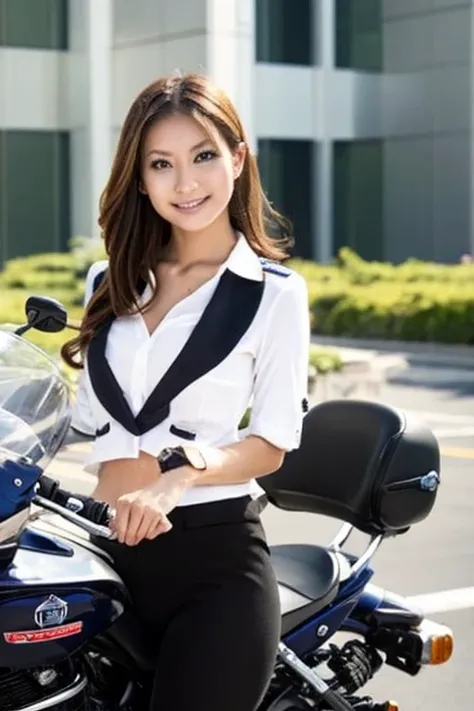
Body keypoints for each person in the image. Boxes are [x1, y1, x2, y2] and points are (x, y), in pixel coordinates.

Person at [63, 72, 310, 711]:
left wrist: (179, 475)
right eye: (161, 164)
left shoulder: (273, 293)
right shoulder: (108, 280)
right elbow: (86, 418)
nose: (186, 183)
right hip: (103, 552)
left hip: (214, 567)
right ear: (140, 179)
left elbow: (273, 442)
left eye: (203, 156)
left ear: (237, 157)